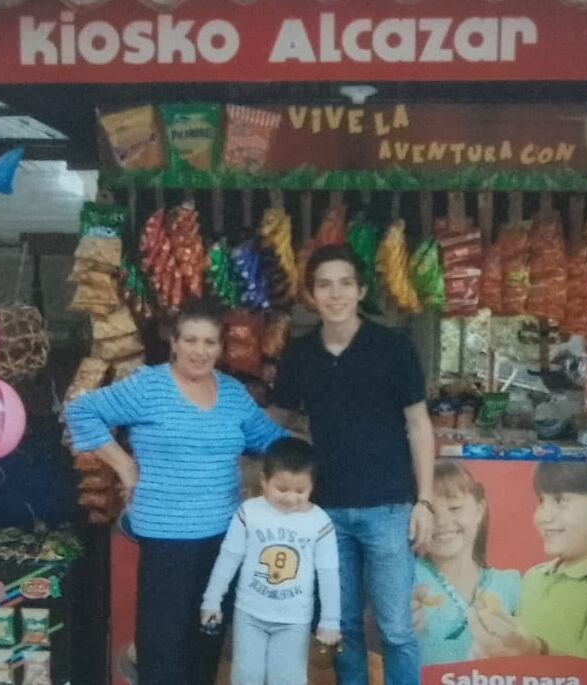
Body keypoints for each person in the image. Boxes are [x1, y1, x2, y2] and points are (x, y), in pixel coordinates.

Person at [64, 298, 287, 685]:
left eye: (210, 343)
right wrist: (124, 465)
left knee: (206, 640)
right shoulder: (149, 386)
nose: (200, 351)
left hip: (223, 539)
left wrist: (321, 449)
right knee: (162, 647)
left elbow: (273, 442)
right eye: (192, 340)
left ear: (221, 347)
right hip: (167, 539)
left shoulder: (233, 394)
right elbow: (81, 410)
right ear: (175, 343)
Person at [271, 244, 436, 685]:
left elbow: (419, 426)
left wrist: (426, 502)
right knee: (341, 629)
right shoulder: (300, 354)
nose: (336, 294)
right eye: (324, 285)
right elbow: (275, 424)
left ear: (361, 290)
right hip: (325, 513)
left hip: (389, 507)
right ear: (312, 295)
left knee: (396, 629)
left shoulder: (392, 347)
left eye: (345, 283)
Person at [201, 437, 342, 685]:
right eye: (281, 489)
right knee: (246, 677)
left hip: (294, 620)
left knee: (287, 679)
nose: (290, 498)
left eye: (300, 491)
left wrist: (330, 621)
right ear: (264, 481)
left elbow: (328, 574)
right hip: (250, 614)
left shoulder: (320, 524)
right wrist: (212, 600)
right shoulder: (249, 513)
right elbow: (229, 557)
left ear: (312, 486)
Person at [469, 461, 587, 669]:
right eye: (541, 501)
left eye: (560, 501)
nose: (543, 517)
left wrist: (536, 650)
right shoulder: (534, 577)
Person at [412, 461, 520, 665]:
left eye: (454, 508)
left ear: (479, 510)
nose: (442, 522)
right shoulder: (405, 580)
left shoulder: (512, 585)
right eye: (431, 511)